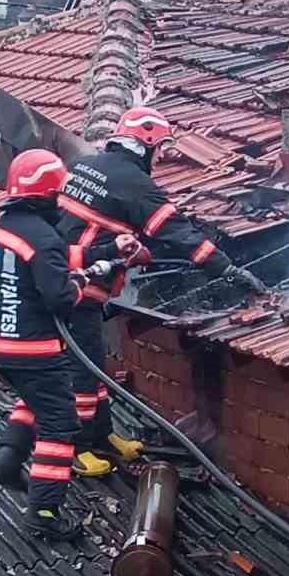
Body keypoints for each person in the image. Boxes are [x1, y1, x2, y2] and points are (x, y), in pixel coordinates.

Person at [55, 105, 263, 477]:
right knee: (82, 371)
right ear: (145, 145)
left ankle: (103, 436)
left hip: (64, 273)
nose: (160, 156)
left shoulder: (87, 164)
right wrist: (228, 269)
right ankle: (79, 448)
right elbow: (177, 232)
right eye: (159, 149)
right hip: (79, 284)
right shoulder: (134, 185)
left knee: (95, 363)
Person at [0, 149, 99, 542]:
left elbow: (51, 259)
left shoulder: (7, 226)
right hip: (33, 348)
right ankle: (43, 515)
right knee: (60, 424)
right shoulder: (45, 237)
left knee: (35, 398)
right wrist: (81, 282)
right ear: (50, 193)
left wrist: (111, 254)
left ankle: (8, 459)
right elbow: (60, 297)